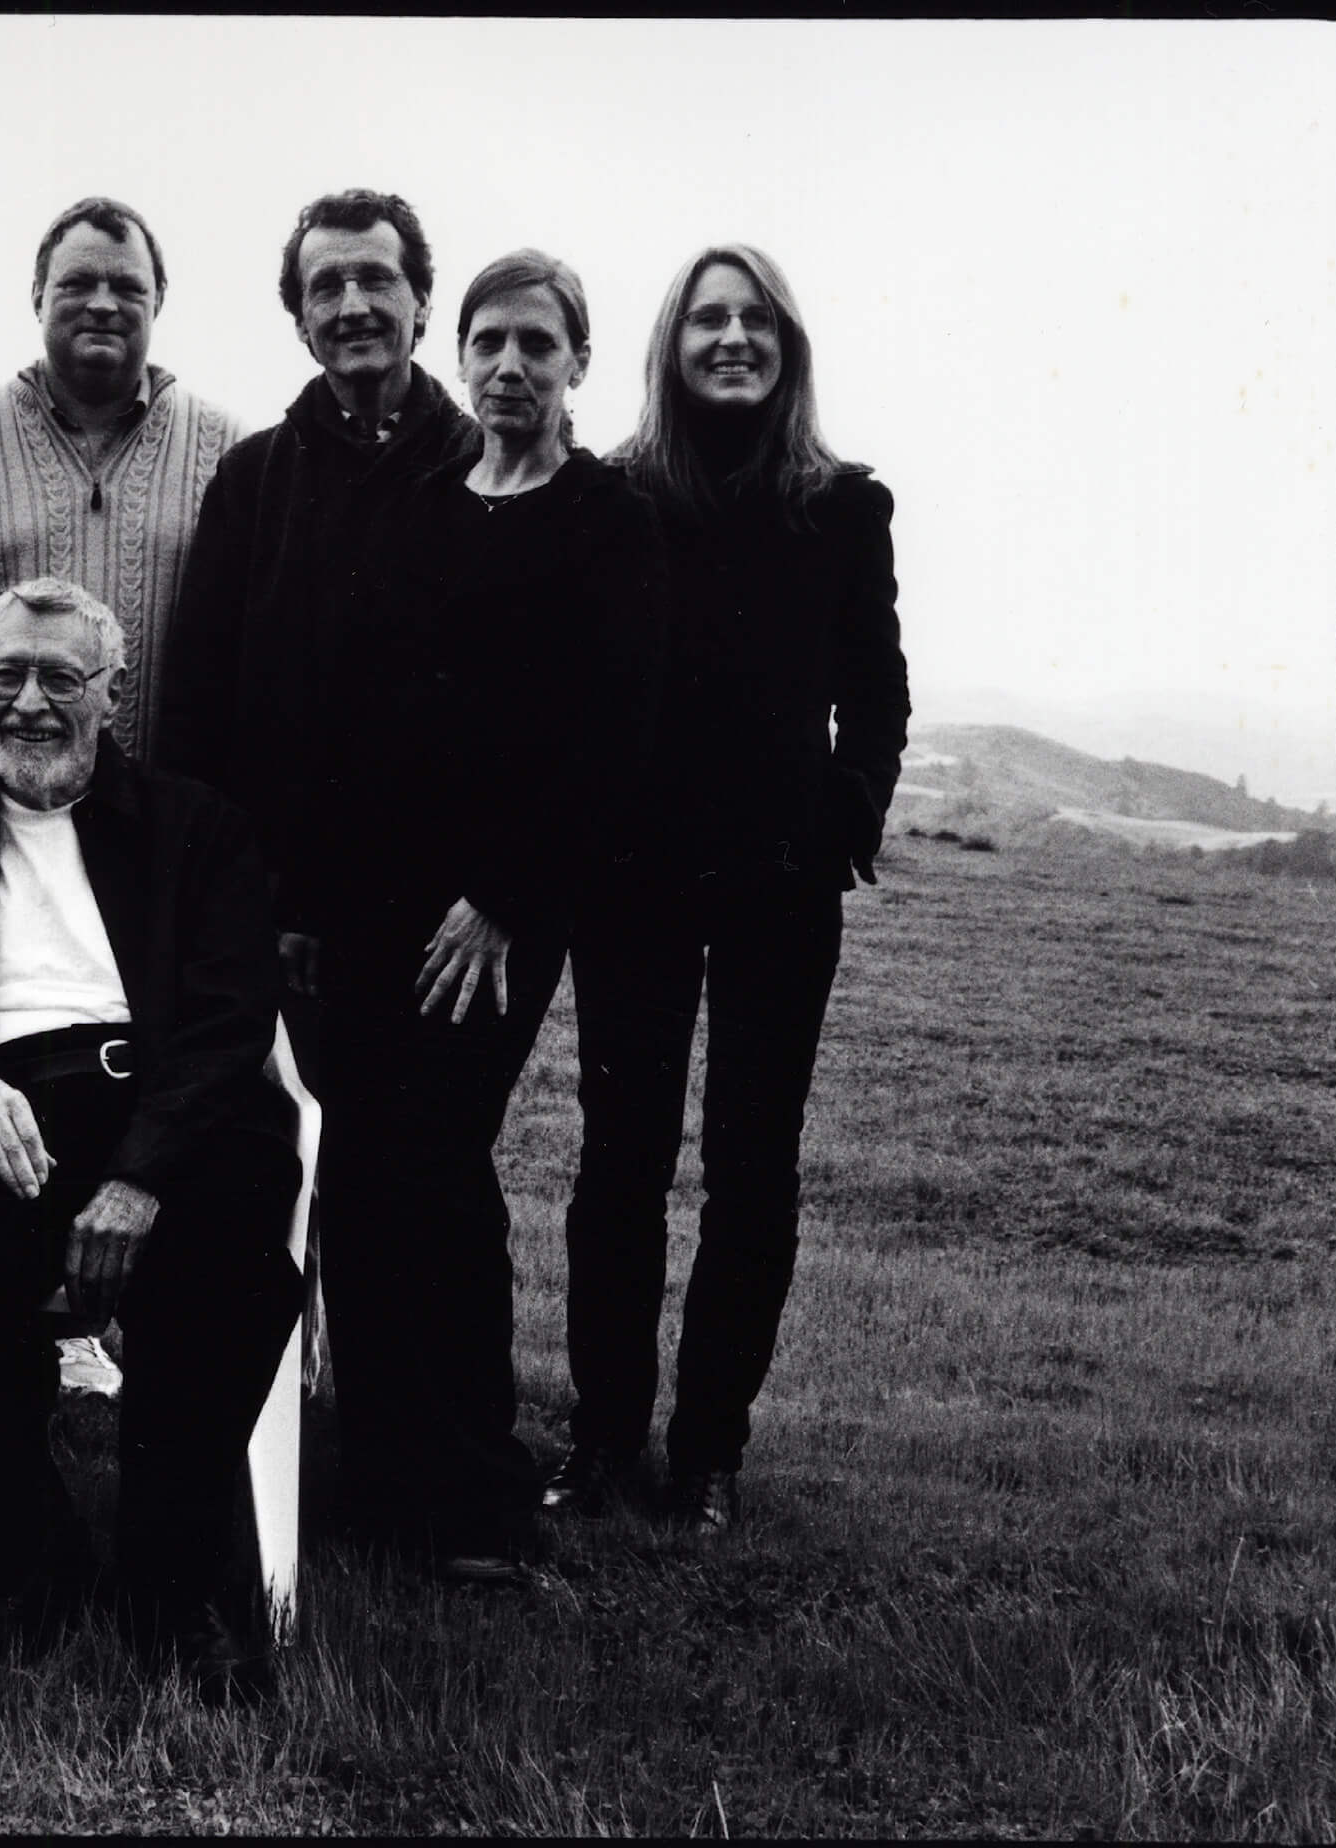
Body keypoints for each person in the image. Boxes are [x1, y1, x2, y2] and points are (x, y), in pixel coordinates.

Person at [0, 578, 301, 1707]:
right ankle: (23, 1563)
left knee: (232, 1248)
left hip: (173, 1110)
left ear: (110, 694)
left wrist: (140, 1178)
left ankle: (175, 1582)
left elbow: (229, 1021)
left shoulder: (194, 825)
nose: (28, 703)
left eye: (61, 677)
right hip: (5, 1105)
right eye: (5, 676)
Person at [304, 252, 667, 1579]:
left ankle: (472, 1492)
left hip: (496, 919)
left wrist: (505, 901)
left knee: (438, 1168)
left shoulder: (605, 518)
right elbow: (362, 706)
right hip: (369, 902)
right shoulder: (417, 503)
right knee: (358, 1173)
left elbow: (610, 736)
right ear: (457, 356)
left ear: (576, 358)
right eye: (490, 343)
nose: (510, 366)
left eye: (537, 343)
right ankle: (377, 1470)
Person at [546, 245, 908, 1535]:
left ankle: (708, 1454)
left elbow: (875, 695)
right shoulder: (621, 496)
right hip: (633, 881)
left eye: (756, 319)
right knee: (620, 1165)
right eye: (710, 319)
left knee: (753, 1171)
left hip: (778, 885)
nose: (733, 338)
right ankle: (600, 1443)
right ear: (672, 342)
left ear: (788, 344)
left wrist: (842, 823)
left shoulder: (844, 506)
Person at [153, 187, 481, 999]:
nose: (354, 306)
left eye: (377, 279)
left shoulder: (485, 469)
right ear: (300, 321)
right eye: (325, 288)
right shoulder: (252, 479)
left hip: (448, 922)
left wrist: (492, 893)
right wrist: (255, 899)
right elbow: (201, 705)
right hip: (287, 922)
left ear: (423, 302)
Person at [0, 197, 242, 763]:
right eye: (78, 283)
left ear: (158, 301)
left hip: (165, 825)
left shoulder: (225, 451)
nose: (103, 303)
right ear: (37, 295)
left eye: (128, 287)